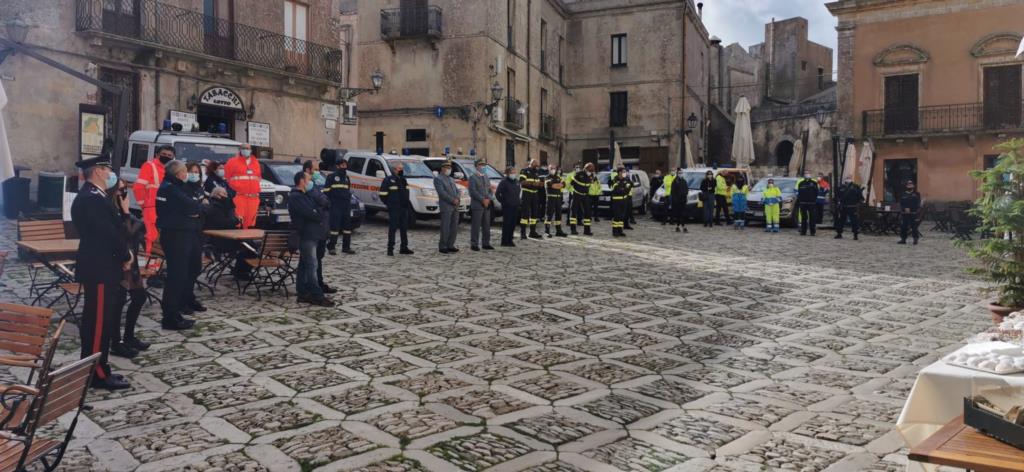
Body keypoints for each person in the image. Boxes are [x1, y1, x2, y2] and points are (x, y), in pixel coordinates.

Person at [71, 156, 131, 390]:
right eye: (107, 169)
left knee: (102, 321)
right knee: (97, 323)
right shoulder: (91, 199)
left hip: (104, 266)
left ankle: (100, 367)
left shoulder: (97, 196)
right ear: (97, 171)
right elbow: (107, 234)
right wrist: (125, 255)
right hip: (99, 267)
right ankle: (95, 373)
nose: (110, 174)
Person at [156, 160, 200, 331]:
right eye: (184, 171)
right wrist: (194, 210)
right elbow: (192, 205)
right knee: (176, 276)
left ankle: (174, 313)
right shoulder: (171, 188)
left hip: (181, 233)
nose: (186, 174)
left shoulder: (172, 186)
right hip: (176, 235)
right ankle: (170, 317)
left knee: (182, 274)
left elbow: (193, 207)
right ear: (177, 173)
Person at [108, 178, 150, 359]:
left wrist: (128, 218)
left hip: (131, 263)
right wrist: (125, 213)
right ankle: (116, 343)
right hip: (118, 263)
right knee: (117, 303)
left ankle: (129, 336)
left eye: (124, 190)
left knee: (140, 297)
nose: (122, 194)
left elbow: (140, 228)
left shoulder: (124, 213)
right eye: (118, 190)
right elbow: (124, 234)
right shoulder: (110, 212)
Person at [288, 171, 334, 306]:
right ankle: (317, 295)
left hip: (313, 234)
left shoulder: (305, 194)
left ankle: (302, 292)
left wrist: (317, 210)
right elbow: (311, 213)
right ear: (302, 181)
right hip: (306, 235)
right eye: (308, 179)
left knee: (304, 264)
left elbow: (321, 206)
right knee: (311, 265)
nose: (311, 182)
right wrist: (317, 211)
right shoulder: (296, 197)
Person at [132, 145, 174, 255]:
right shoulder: (149, 166)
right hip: (152, 208)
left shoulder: (171, 170)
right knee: (152, 237)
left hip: (167, 209)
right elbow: (138, 188)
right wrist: (144, 205)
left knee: (164, 239)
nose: (166, 157)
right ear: (157, 155)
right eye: (164, 154)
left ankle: (159, 264)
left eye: (169, 155)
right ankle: (151, 264)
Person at [182, 161, 210, 317]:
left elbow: (206, 207)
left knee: (196, 267)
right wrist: (200, 207)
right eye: (191, 171)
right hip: (187, 232)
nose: (194, 174)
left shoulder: (199, 188)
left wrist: (201, 207)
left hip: (199, 231)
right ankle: (184, 300)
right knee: (187, 269)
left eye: (197, 172)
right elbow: (191, 209)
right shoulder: (183, 188)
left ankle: (190, 297)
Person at [306, 162, 337, 294]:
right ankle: (312, 285)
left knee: (318, 258)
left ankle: (319, 282)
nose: (318, 172)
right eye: (316, 170)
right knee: (311, 260)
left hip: (322, 228)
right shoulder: (307, 187)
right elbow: (321, 202)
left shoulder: (318, 185)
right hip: (313, 230)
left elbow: (327, 201)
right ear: (308, 170)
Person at [224, 143, 261, 229]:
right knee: (237, 222)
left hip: (253, 199)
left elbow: (258, 178)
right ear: (240, 150)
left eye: (248, 148)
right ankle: (237, 242)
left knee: (250, 225)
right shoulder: (232, 162)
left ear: (251, 150)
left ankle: (248, 241)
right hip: (239, 197)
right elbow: (226, 179)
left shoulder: (256, 163)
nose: (246, 150)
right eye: (244, 148)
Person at [379, 163, 414, 256]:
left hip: (403, 208)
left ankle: (404, 247)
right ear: (394, 169)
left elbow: (406, 193)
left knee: (404, 228)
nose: (401, 170)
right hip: (394, 208)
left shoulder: (403, 180)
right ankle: (390, 249)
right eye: (399, 168)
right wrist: (390, 204)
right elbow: (382, 194)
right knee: (393, 228)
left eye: (402, 168)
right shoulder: (388, 180)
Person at [324, 158, 355, 255]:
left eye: (345, 165)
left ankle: (346, 247)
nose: (344, 167)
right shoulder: (331, 177)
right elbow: (326, 191)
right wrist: (332, 201)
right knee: (335, 227)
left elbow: (348, 190)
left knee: (347, 227)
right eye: (342, 165)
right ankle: (331, 246)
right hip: (335, 205)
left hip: (346, 206)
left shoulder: (347, 178)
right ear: (337, 166)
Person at [469, 159, 496, 251]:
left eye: (484, 165)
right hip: (477, 205)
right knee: (476, 225)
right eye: (481, 164)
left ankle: (486, 243)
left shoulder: (486, 177)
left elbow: (490, 190)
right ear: (476, 166)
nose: (483, 166)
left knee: (486, 225)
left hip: (487, 204)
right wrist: (482, 199)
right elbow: (473, 191)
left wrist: (488, 198)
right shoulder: (473, 177)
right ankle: (474, 244)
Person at [434, 161, 461, 254]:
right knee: (445, 227)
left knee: (454, 227)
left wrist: (457, 198)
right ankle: (443, 246)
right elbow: (442, 193)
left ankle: (451, 245)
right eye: (447, 167)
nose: (449, 169)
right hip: (446, 206)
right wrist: (452, 200)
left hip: (455, 206)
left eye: (450, 168)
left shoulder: (451, 179)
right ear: (442, 168)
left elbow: (457, 190)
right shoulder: (438, 179)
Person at [496, 166, 521, 247]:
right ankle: (504, 241)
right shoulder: (503, 182)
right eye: (512, 172)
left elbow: (519, 192)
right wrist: (503, 202)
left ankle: (510, 240)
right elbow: (497, 194)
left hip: (515, 206)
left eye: (514, 172)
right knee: (507, 223)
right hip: (507, 206)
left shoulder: (516, 181)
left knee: (513, 224)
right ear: (507, 173)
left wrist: (518, 201)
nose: (514, 174)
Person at [519, 159, 544, 239]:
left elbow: (540, 183)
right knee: (525, 214)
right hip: (526, 194)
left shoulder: (536, 172)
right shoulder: (524, 171)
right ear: (531, 163)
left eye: (537, 163)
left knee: (534, 214)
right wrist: (534, 184)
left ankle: (532, 232)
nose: (537, 165)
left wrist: (540, 184)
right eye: (535, 163)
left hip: (535, 195)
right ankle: (523, 233)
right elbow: (522, 182)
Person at [570, 163, 595, 235]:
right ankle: (573, 230)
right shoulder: (579, 174)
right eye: (590, 169)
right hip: (577, 195)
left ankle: (587, 231)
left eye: (592, 169)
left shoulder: (591, 175)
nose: (591, 170)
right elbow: (572, 183)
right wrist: (573, 192)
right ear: (585, 168)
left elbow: (590, 184)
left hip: (585, 196)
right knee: (574, 212)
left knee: (588, 213)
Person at [544, 165, 568, 237]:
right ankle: (547, 231)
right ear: (549, 169)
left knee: (558, 215)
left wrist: (556, 185)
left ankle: (559, 231)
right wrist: (558, 185)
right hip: (551, 199)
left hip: (558, 199)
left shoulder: (558, 177)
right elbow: (552, 186)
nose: (553, 170)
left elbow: (564, 185)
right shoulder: (547, 177)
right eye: (551, 168)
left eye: (554, 168)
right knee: (549, 215)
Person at [898, 180, 922, 245]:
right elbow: (901, 203)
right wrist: (904, 209)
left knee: (914, 226)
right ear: (906, 186)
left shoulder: (917, 194)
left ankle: (915, 239)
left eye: (911, 184)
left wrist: (913, 210)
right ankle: (903, 239)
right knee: (904, 226)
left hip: (913, 213)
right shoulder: (903, 194)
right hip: (905, 213)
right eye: (908, 184)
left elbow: (918, 203)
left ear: (913, 186)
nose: (910, 185)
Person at [610, 167, 630, 237]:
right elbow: (616, 190)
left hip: (624, 200)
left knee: (622, 217)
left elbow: (628, 189)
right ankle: (615, 231)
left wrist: (623, 190)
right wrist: (624, 189)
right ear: (619, 172)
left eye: (625, 172)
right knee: (617, 216)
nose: (625, 173)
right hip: (617, 201)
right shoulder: (614, 180)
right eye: (623, 172)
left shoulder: (626, 180)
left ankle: (620, 230)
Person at [669, 168, 689, 233]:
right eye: (679, 173)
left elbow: (686, 189)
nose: (681, 174)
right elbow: (673, 192)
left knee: (683, 214)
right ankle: (682, 226)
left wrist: (685, 196)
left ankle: (680, 226)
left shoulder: (684, 181)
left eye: (681, 172)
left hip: (683, 200)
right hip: (677, 201)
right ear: (677, 173)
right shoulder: (675, 181)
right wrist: (675, 200)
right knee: (679, 214)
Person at [563, 163, 580, 228]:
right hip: (573, 193)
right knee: (571, 208)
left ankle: (579, 220)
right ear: (574, 168)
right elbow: (567, 185)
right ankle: (568, 221)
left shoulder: (581, 174)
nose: (578, 168)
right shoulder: (570, 175)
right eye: (576, 167)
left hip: (580, 193)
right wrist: (571, 189)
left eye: (578, 167)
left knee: (580, 208)